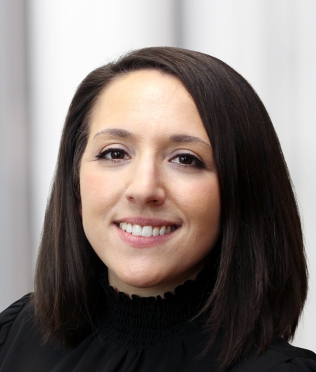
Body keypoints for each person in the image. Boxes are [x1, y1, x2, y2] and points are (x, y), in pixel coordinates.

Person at [0, 47, 315, 372]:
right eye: (115, 153)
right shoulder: (11, 338)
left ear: (240, 193)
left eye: (186, 159)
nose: (144, 189)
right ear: (75, 186)